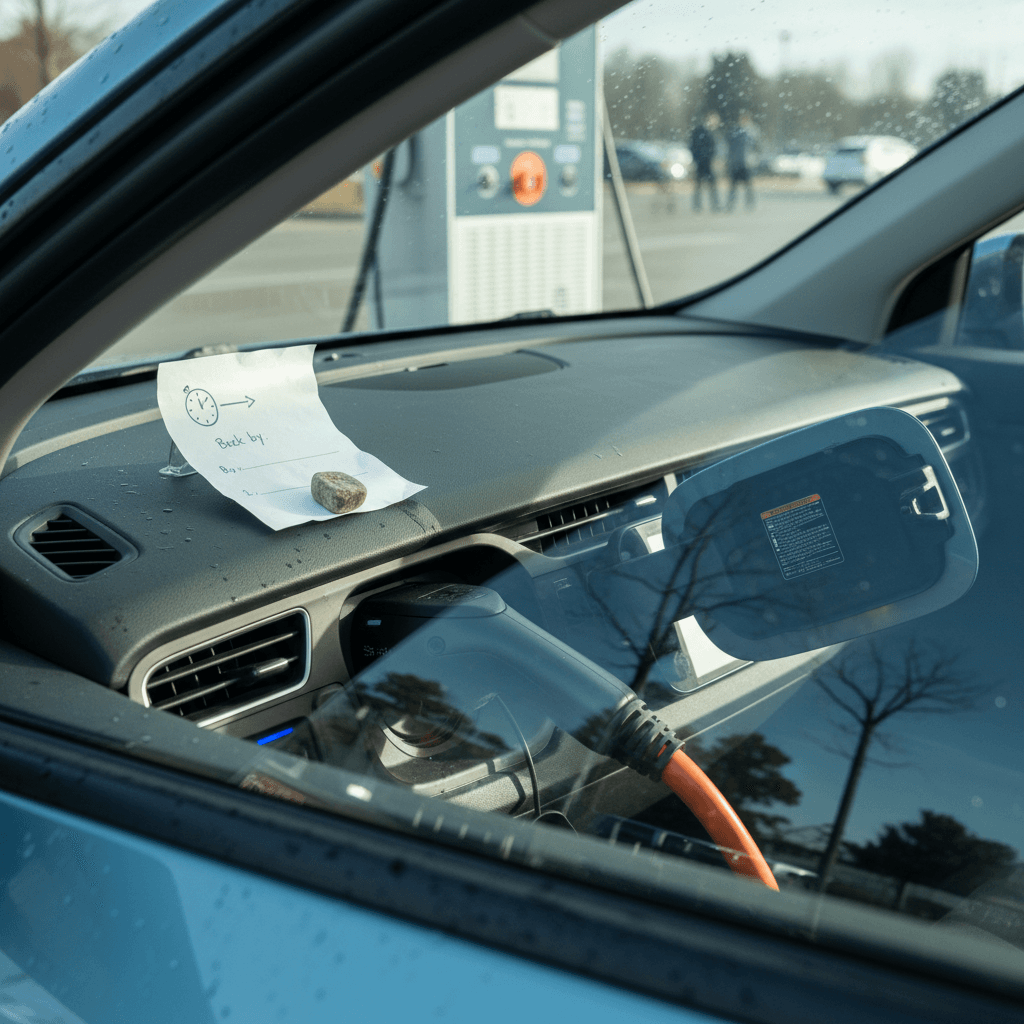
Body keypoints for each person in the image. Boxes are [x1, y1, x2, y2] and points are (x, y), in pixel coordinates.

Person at [726, 113, 760, 211]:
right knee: (734, 187)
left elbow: (755, 147)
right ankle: (731, 205)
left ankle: (749, 205)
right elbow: (731, 147)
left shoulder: (751, 132)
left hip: (745, 163)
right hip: (737, 163)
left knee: (747, 186)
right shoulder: (736, 131)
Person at [689, 111, 720, 212]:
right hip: (703, 162)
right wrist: (698, 159)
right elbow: (694, 146)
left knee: (703, 185)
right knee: (703, 185)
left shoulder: (706, 131)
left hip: (704, 161)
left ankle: (708, 205)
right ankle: (707, 205)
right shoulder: (701, 131)